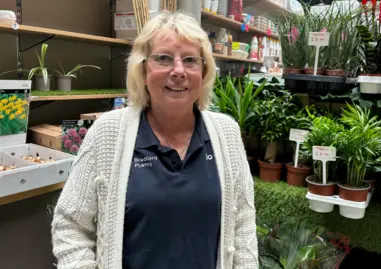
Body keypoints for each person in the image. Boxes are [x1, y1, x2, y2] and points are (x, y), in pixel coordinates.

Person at [51, 10, 258, 269]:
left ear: (204, 72)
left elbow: (243, 225)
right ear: (143, 69)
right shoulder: (108, 133)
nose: (178, 71)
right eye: (163, 58)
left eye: (191, 60)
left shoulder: (226, 134)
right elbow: (70, 225)